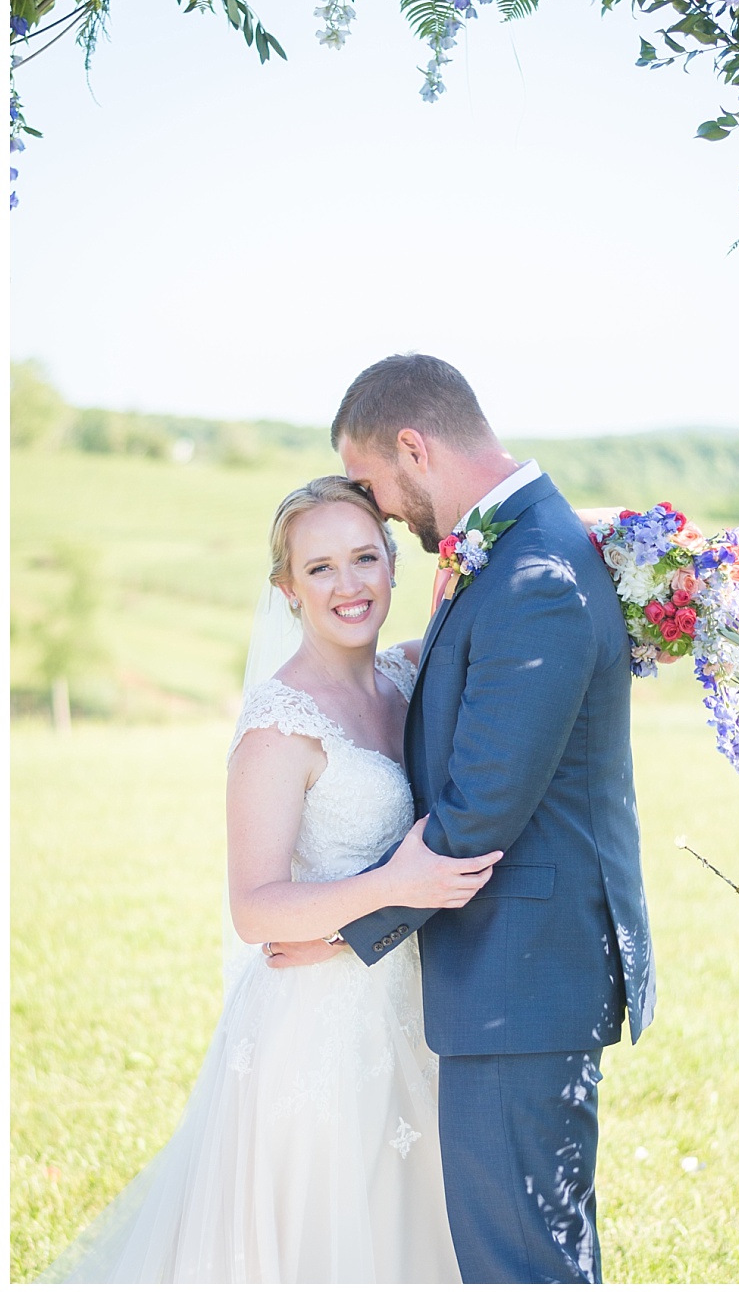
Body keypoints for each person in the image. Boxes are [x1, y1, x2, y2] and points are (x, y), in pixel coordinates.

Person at [45, 477, 492, 1281]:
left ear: (395, 563)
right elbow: (255, 909)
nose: (348, 585)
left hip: (413, 999)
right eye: (318, 568)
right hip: (317, 1027)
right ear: (286, 587)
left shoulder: (409, 672)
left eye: (364, 557)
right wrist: (397, 884)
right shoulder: (279, 724)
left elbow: (510, 555)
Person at [319, 353, 654, 1284]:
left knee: (520, 1265)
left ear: (415, 447)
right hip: (517, 975)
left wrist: (339, 927)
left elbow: (479, 811)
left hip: (523, 975)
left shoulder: (532, 572)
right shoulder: (519, 547)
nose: (381, 511)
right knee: (539, 1251)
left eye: (376, 485)